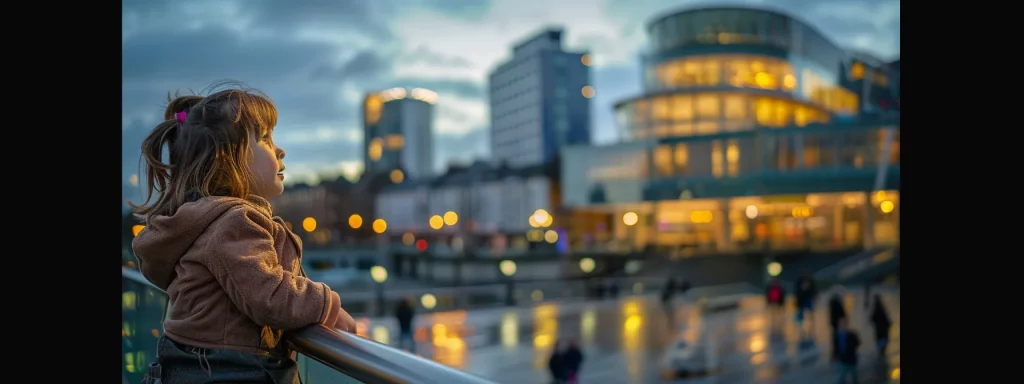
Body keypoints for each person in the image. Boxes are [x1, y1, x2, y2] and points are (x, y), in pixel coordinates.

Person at [131, 83, 358, 384]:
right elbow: (269, 298)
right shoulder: (234, 221)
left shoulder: (205, 220)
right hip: (228, 372)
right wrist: (328, 306)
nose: (280, 149)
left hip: (191, 366)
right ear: (228, 158)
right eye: (264, 138)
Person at [834, 317, 861, 383]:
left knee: (854, 377)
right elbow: (836, 348)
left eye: (843, 325)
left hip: (851, 359)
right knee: (842, 377)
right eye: (840, 325)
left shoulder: (851, 335)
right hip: (843, 360)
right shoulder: (837, 336)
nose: (842, 327)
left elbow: (857, 343)